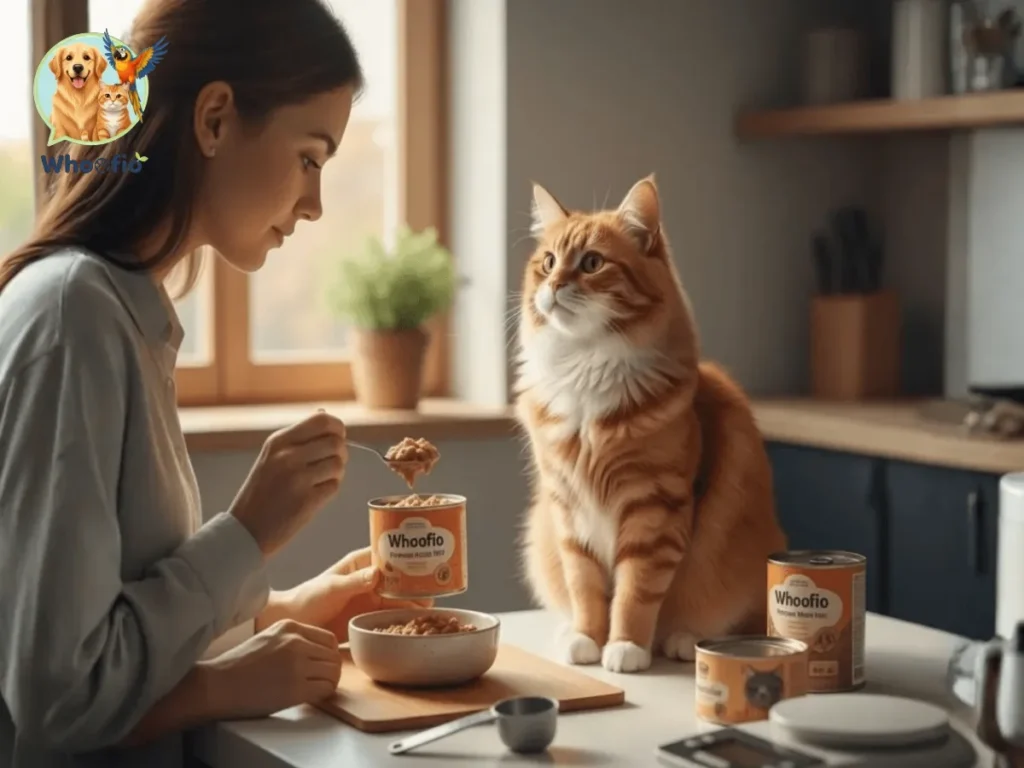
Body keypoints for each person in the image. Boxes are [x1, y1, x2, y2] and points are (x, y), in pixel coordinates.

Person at [0, 2, 426, 767]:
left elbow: (118, 620)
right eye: (309, 156)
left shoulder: (126, 316)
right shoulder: (74, 317)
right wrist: (247, 539)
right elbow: (56, 700)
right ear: (217, 119)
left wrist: (283, 612)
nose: (316, 203)